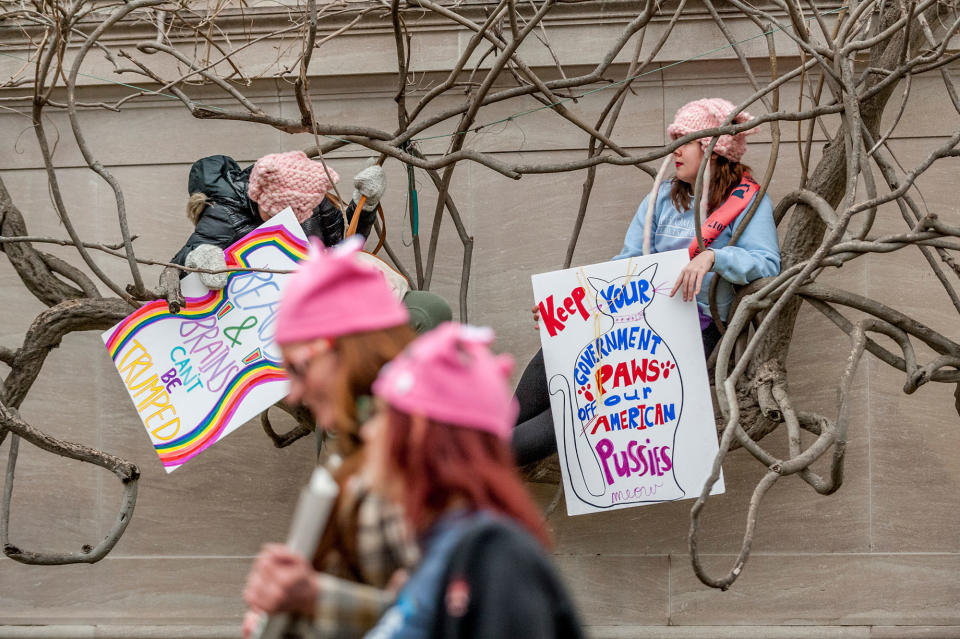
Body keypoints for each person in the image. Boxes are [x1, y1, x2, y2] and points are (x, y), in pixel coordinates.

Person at [244, 322, 585, 639]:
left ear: (417, 432)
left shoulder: (492, 555)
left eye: (380, 415)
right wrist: (309, 604)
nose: (368, 430)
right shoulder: (445, 549)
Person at [512, 97, 781, 465]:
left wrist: (715, 256)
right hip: (632, 316)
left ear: (713, 150)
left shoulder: (748, 202)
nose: (675, 151)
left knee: (576, 413)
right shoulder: (660, 201)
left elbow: (767, 264)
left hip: (687, 331)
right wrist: (569, 307)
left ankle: (468, 461)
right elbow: (626, 264)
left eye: (684, 142)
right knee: (554, 355)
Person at [240, 239, 423, 638]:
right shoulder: (356, 457)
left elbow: (448, 616)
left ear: (342, 351)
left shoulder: (412, 459)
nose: (294, 394)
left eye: (299, 367)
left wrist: (311, 600)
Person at [170, 151, 450, 333]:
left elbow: (345, 246)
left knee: (430, 311)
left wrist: (364, 206)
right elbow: (175, 268)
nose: (307, 215)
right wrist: (200, 258)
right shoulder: (224, 214)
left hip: (331, 306)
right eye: (298, 212)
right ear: (270, 206)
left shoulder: (310, 200)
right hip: (273, 327)